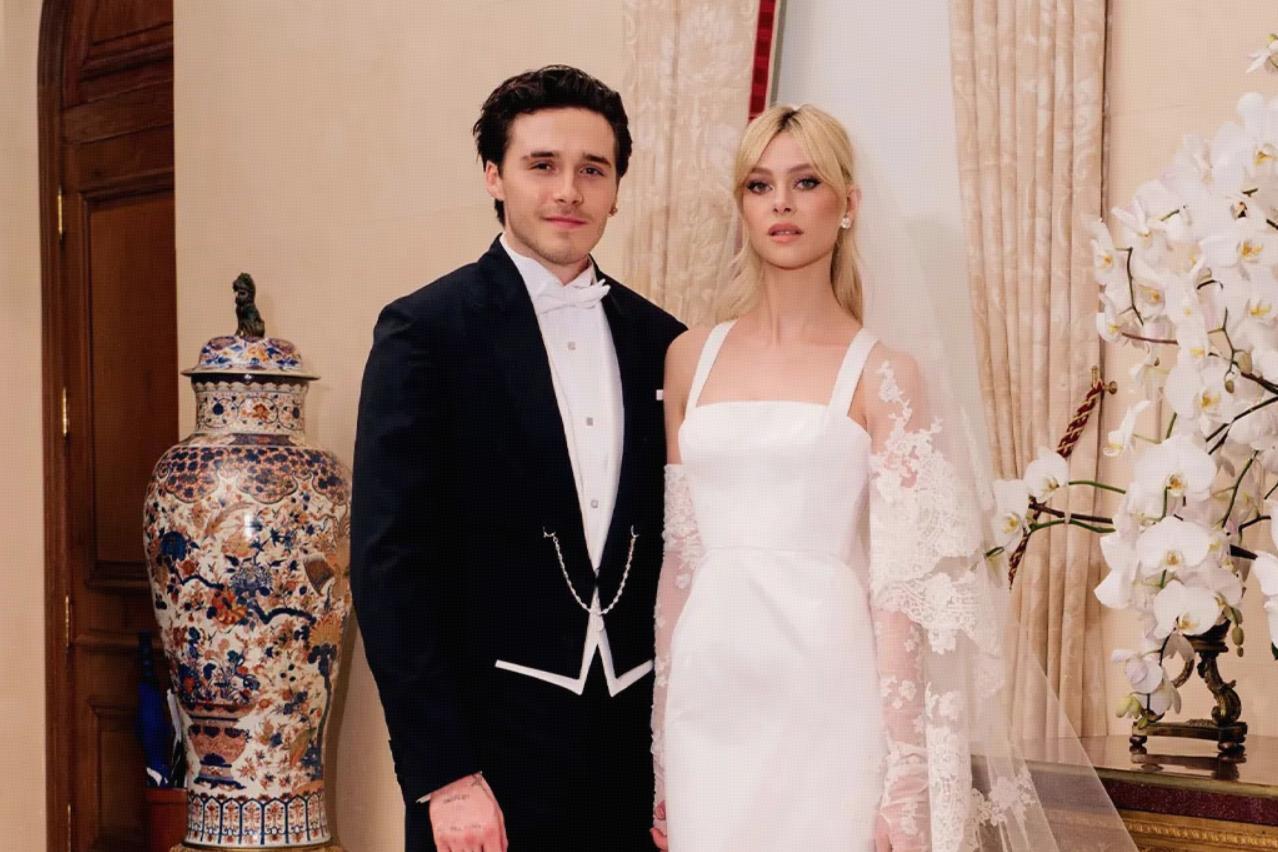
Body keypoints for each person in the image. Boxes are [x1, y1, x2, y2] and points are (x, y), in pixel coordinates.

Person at [650, 105, 1137, 851]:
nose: (781, 204)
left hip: (826, 688)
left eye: (805, 182)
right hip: (709, 697)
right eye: (759, 184)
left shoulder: (884, 374)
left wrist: (907, 777)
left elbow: (904, 592)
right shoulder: (690, 357)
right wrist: (661, 742)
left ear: (847, 203)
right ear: (740, 205)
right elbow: (680, 561)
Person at [351, 65, 683, 852]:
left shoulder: (665, 342)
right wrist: (445, 774)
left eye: (592, 170)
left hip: (635, 766)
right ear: (494, 176)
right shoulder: (425, 332)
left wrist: (680, 759)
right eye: (542, 165)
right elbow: (390, 566)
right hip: (485, 766)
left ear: (616, 190)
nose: (568, 190)